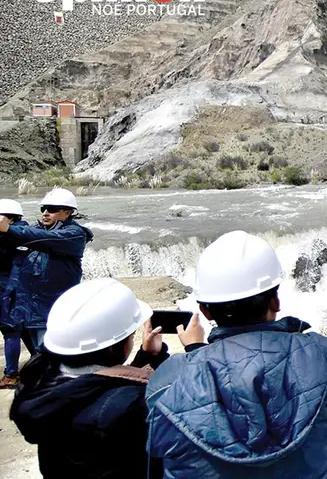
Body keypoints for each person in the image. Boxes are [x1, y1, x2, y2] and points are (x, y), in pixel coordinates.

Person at [146, 230, 327, 479]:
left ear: (205, 312)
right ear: (275, 301)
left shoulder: (167, 381)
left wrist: (194, 353)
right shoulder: (321, 356)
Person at [8, 277, 191, 479]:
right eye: (130, 335)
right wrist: (196, 350)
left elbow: (99, 386)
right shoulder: (133, 405)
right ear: (113, 347)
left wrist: (148, 357)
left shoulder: (42, 382)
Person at [0, 187, 93, 354]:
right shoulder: (37, 230)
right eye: (44, 209)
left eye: (52, 209)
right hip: (29, 310)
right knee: (39, 357)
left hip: (54, 310)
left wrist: (8, 228)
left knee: (52, 359)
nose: (46, 213)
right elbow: (23, 234)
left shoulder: (74, 235)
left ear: (68, 212)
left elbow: (44, 239)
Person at [0, 199, 29, 389]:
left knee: (10, 330)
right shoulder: (25, 233)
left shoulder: (9, 236)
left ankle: (11, 375)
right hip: (19, 288)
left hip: (7, 288)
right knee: (17, 330)